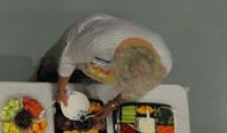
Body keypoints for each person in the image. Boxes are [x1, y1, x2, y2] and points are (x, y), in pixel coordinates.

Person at [35, 13, 171, 121]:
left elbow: (135, 85)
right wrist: (60, 91)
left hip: (98, 62)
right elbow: (68, 58)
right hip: (81, 39)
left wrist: (114, 103)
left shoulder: (163, 65)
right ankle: (38, 75)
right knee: (52, 65)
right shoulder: (97, 44)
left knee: (86, 79)